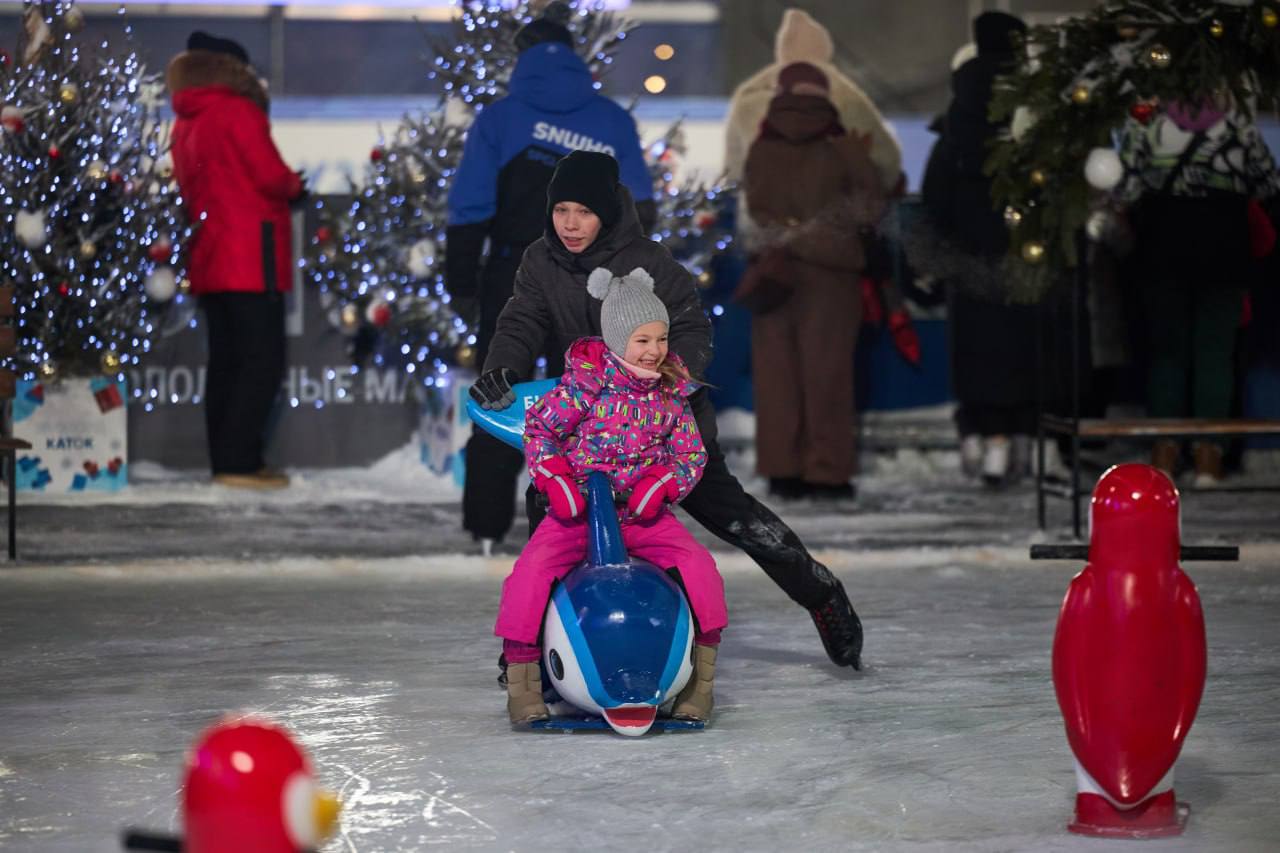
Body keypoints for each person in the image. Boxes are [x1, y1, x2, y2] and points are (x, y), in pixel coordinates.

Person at [472, 149, 864, 669]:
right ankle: (538, 647)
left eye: (584, 212)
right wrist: (502, 367)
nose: (570, 224)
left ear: (606, 212)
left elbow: (691, 327)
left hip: (665, 432)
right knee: (550, 519)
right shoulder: (541, 262)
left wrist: (668, 377)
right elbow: (521, 320)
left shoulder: (650, 263)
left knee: (735, 518)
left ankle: (820, 592)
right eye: (561, 210)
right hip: (587, 435)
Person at [446, 1, 655, 551]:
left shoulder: (500, 119)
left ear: (522, 60)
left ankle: (487, 529)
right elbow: (642, 207)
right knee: (595, 402)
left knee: (501, 391)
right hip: (597, 282)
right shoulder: (612, 120)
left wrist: (461, 280)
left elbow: (470, 205)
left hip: (514, 275)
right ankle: (590, 528)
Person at [496, 268, 725, 724]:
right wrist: (556, 480)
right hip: (579, 511)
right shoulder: (585, 384)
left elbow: (691, 455)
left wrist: (662, 483)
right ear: (618, 340)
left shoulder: (670, 393)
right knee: (530, 572)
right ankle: (523, 683)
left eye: (661, 339)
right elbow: (540, 431)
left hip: (642, 516)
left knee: (699, 566)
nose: (654, 351)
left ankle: (701, 683)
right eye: (642, 340)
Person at [741, 62, 889, 500]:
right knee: (829, 377)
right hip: (832, 276)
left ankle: (782, 470)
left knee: (776, 377)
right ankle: (828, 473)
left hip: (776, 273)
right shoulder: (841, 147)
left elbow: (756, 214)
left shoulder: (761, 148)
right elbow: (870, 210)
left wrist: (789, 234)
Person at [1116, 93, 1280, 485]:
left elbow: (1127, 188)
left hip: (1164, 244)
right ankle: (1209, 455)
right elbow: (1268, 183)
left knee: (1166, 353)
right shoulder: (1238, 122)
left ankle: (1165, 451)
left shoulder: (1147, 121)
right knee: (1216, 353)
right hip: (1224, 244)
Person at [167, 31, 303, 489]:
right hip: (251, 257)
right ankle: (241, 462)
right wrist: (296, 185)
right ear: (233, 70)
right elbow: (270, 176)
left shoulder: (185, 119)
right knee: (261, 362)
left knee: (225, 362)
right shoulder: (238, 111)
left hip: (209, 257)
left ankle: (226, 460)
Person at [920, 12, 1041, 486]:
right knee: (1026, 345)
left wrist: (936, 255)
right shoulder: (1033, 104)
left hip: (969, 254)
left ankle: (992, 442)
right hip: (1026, 249)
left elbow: (935, 196)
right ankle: (1029, 439)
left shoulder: (959, 112)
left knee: (980, 350)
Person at [724, 8, 903, 238]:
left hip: (770, 239)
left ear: (781, 48)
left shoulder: (750, 100)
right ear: (825, 48)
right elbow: (886, 164)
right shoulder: (847, 99)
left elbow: (734, 175)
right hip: (836, 235)